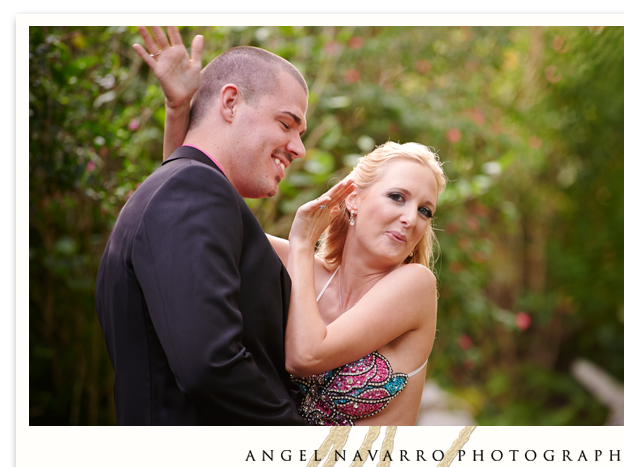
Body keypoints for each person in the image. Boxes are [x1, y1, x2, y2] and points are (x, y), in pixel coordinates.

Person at [146, 27, 448, 426]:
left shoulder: (414, 285)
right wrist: (178, 107)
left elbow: (306, 357)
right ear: (353, 199)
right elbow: (191, 212)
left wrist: (303, 244)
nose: (412, 219)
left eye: (426, 211)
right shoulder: (304, 271)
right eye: (398, 197)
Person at [95, 26, 310, 425]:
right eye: (286, 124)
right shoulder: (193, 191)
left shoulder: (181, 188)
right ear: (230, 103)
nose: (298, 148)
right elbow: (210, 365)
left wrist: (179, 113)